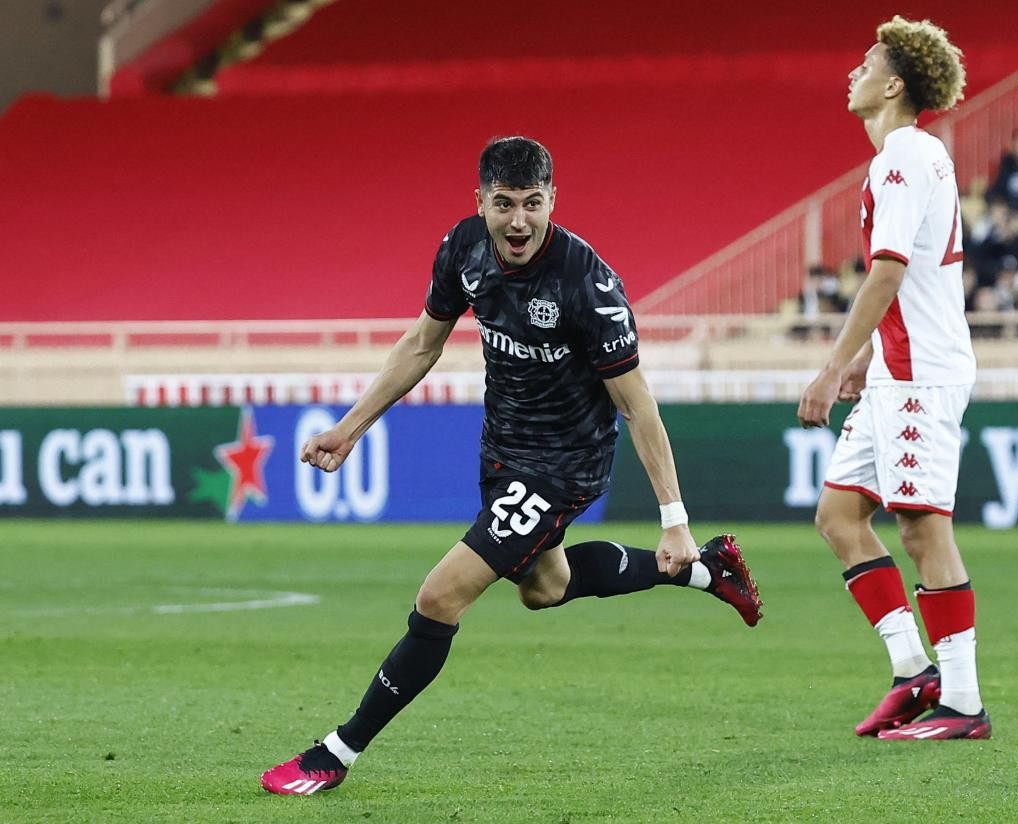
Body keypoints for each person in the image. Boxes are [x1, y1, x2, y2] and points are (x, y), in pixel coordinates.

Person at [260, 136, 763, 795]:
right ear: (481, 202)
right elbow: (421, 344)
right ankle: (704, 569)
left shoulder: (588, 283)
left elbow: (639, 408)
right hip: (503, 449)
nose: (518, 220)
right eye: (504, 204)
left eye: (532, 203)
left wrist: (673, 517)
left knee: (440, 596)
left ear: (553, 199)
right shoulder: (462, 248)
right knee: (544, 588)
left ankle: (337, 751)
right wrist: (350, 428)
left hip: (566, 462)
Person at [797, 17, 990, 740]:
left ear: (895, 84)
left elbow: (889, 271)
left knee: (921, 527)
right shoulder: (915, 156)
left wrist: (833, 363)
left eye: (867, 63)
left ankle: (964, 705)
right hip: (896, 373)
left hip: (921, 377)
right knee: (840, 517)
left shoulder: (903, 157)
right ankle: (916, 671)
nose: (855, 73)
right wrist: (870, 362)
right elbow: (909, 283)